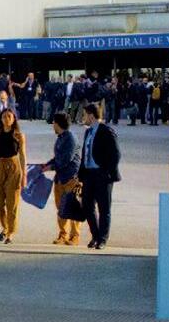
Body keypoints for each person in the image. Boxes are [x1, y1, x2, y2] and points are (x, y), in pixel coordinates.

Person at [79, 103, 121, 250]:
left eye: (84, 115)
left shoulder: (106, 131)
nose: (83, 118)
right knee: (87, 206)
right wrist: (80, 175)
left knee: (104, 208)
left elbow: (116, 154)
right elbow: (85, 154)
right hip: (89, 174)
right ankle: (95, 235)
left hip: (102, 175)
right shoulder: (88, 132)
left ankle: (102, 239)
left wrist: (107, 172)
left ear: (91, 116)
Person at [41, 112, 81, 246]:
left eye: (54, 123)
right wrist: (47, 164)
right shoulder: (60, 137)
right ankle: (63, 234)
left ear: (58, 124)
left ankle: (74, 236)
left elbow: (66, 159)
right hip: (60, 177)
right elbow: (57, 158)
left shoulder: (70, 138)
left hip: (71, 177)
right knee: (61, 208)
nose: (53, 125)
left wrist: (51, 167)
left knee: (72, 207)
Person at [0, 108, 27, 244]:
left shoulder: (19, 135)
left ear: (14, 119)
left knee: (12, 203)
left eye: (9, 116)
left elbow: (22, 155)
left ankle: (10, 232)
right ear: (0, 119)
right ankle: (5, 227)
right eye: (4, 116)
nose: (6, 119)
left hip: (13, 167)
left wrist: (24, 175)